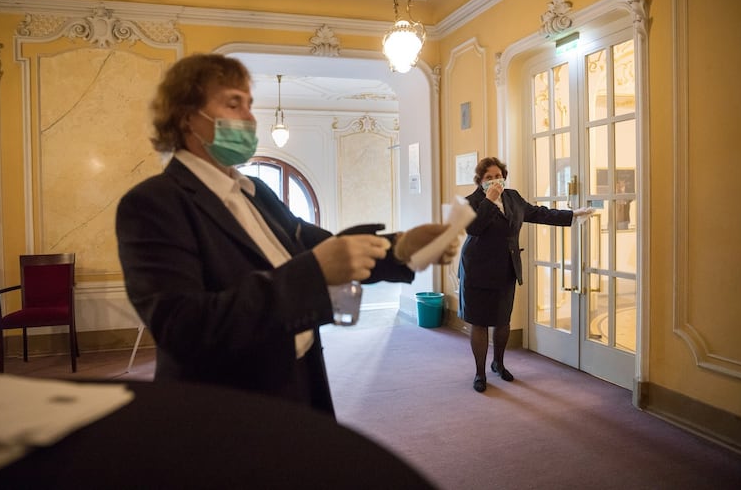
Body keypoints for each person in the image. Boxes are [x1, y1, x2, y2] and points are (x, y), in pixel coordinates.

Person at [116, 53, 458, 417]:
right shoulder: (153, 204)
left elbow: (326, 247)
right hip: (223, 406)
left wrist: (401, 248)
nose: (249, 118)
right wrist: (313, 273)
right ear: (187, 117)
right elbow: (183, 328)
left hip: (297, 380)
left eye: (249, 105)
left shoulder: (257, 192)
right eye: (234, 103)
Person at [458, 156, 593, 393]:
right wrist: (489, 201)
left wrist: (573, 215)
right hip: (476, 269)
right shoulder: (470, 202)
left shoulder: (513, 197)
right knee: (479, 322)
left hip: (505, 268)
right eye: (488, 177)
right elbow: (474, 228)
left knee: (502, 321)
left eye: (498, 176)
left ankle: (498, 363)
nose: (495, 181)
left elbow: (538, 213)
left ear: (504, 177)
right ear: (480, 181)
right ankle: (480, 373)